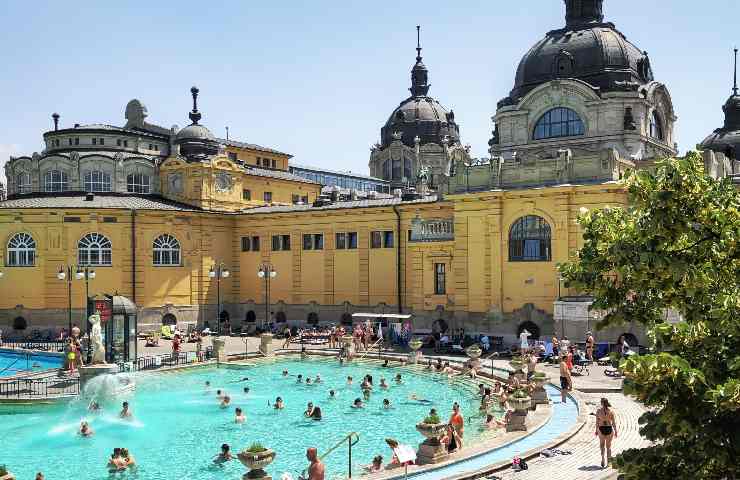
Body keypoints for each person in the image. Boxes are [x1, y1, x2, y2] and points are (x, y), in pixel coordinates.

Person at [596, 397, 617, 468]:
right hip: (609, 429)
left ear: (601, 403)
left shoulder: (598, 411)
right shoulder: (611, 411)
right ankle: (609, 463)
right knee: (609, 446)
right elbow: (613, 422)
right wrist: (616, 431)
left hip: (601, 429)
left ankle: (602, 459)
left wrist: (596, 430)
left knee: (602, 445)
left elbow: (597, 422)